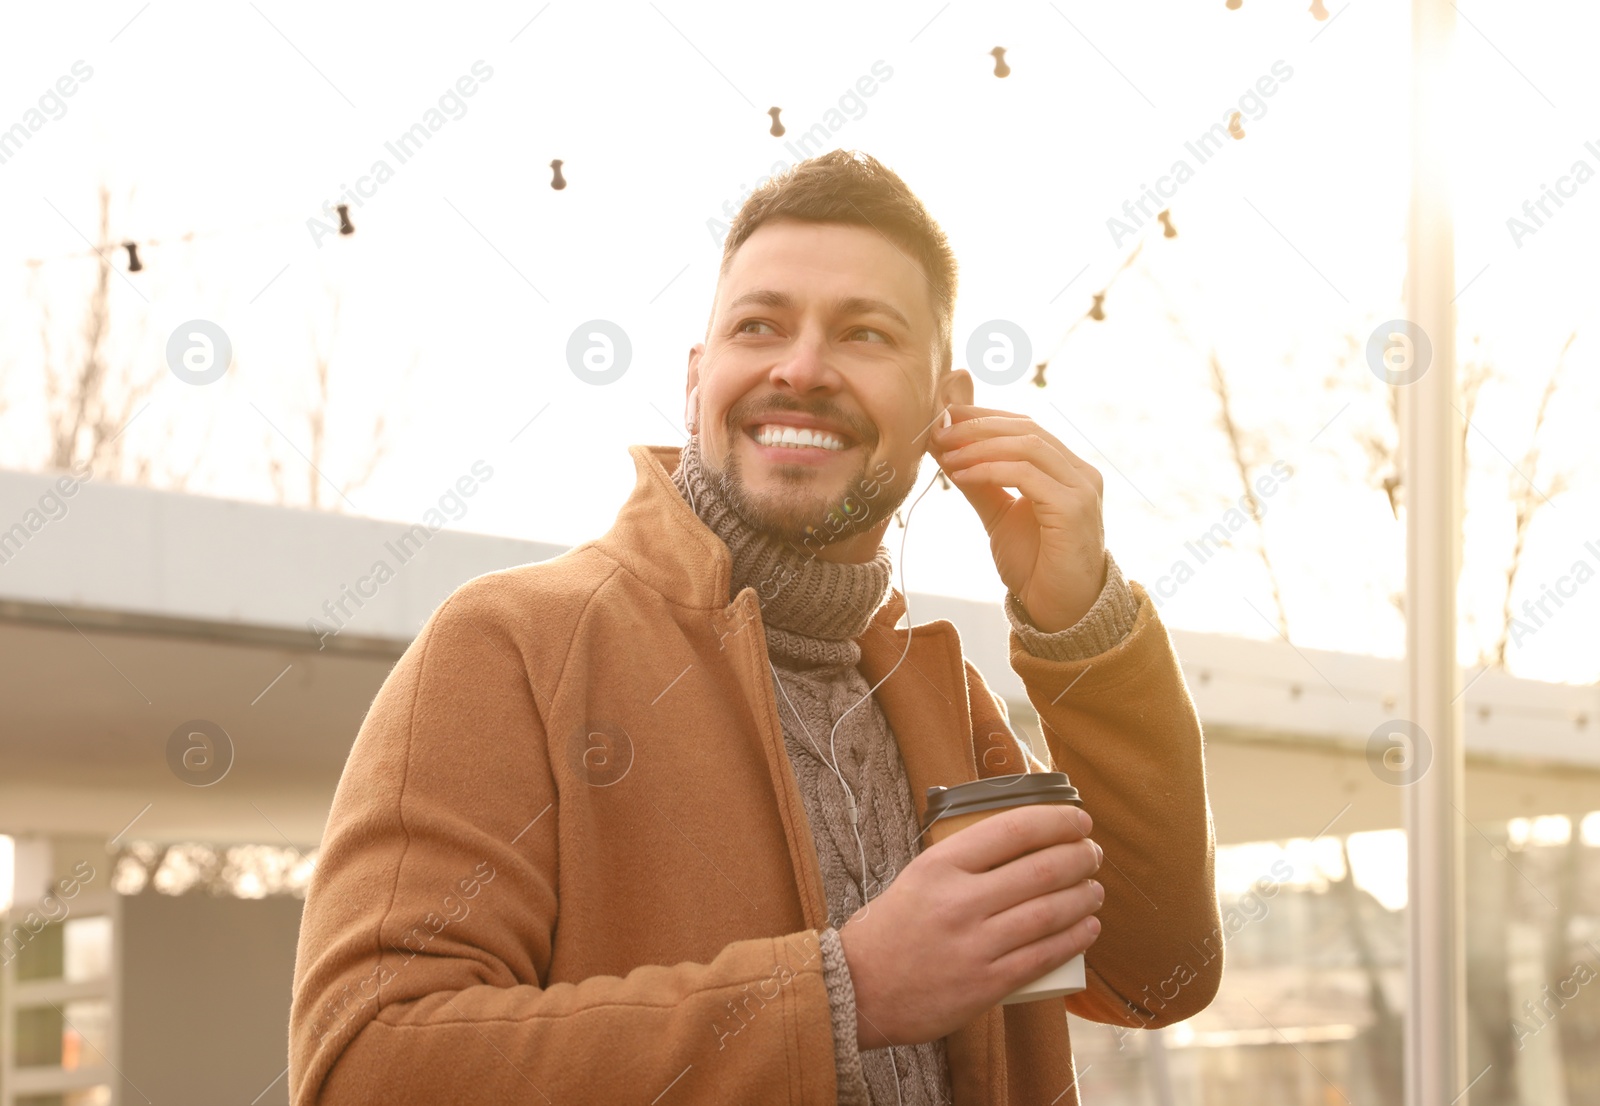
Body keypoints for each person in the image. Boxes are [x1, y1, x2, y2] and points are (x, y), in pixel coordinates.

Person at [288, 148, 1222, 1105]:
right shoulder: (511, 645)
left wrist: (1083, 626)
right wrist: (846, 994)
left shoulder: (948, 707)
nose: (802, 368)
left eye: (864, 333)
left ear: (947, 408)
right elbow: (370, 1066)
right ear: (698, 381)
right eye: (759, 325)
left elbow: (1154, 980)